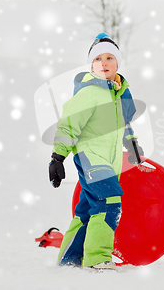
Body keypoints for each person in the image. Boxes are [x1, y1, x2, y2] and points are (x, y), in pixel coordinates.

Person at [48, 33, 144, 271]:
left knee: (87, 209)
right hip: (91, 157)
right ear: (91, 65)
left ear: (118, 64)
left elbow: (124, 125)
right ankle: (97, 257)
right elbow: (69, 124)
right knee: (109, 201)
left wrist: (132, 144)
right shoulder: (90, 92)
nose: (104, 63)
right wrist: (58, 156)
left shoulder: (117, 95)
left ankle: (70, 257)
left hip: (108, 161)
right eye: (98, 59)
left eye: (109, 58)